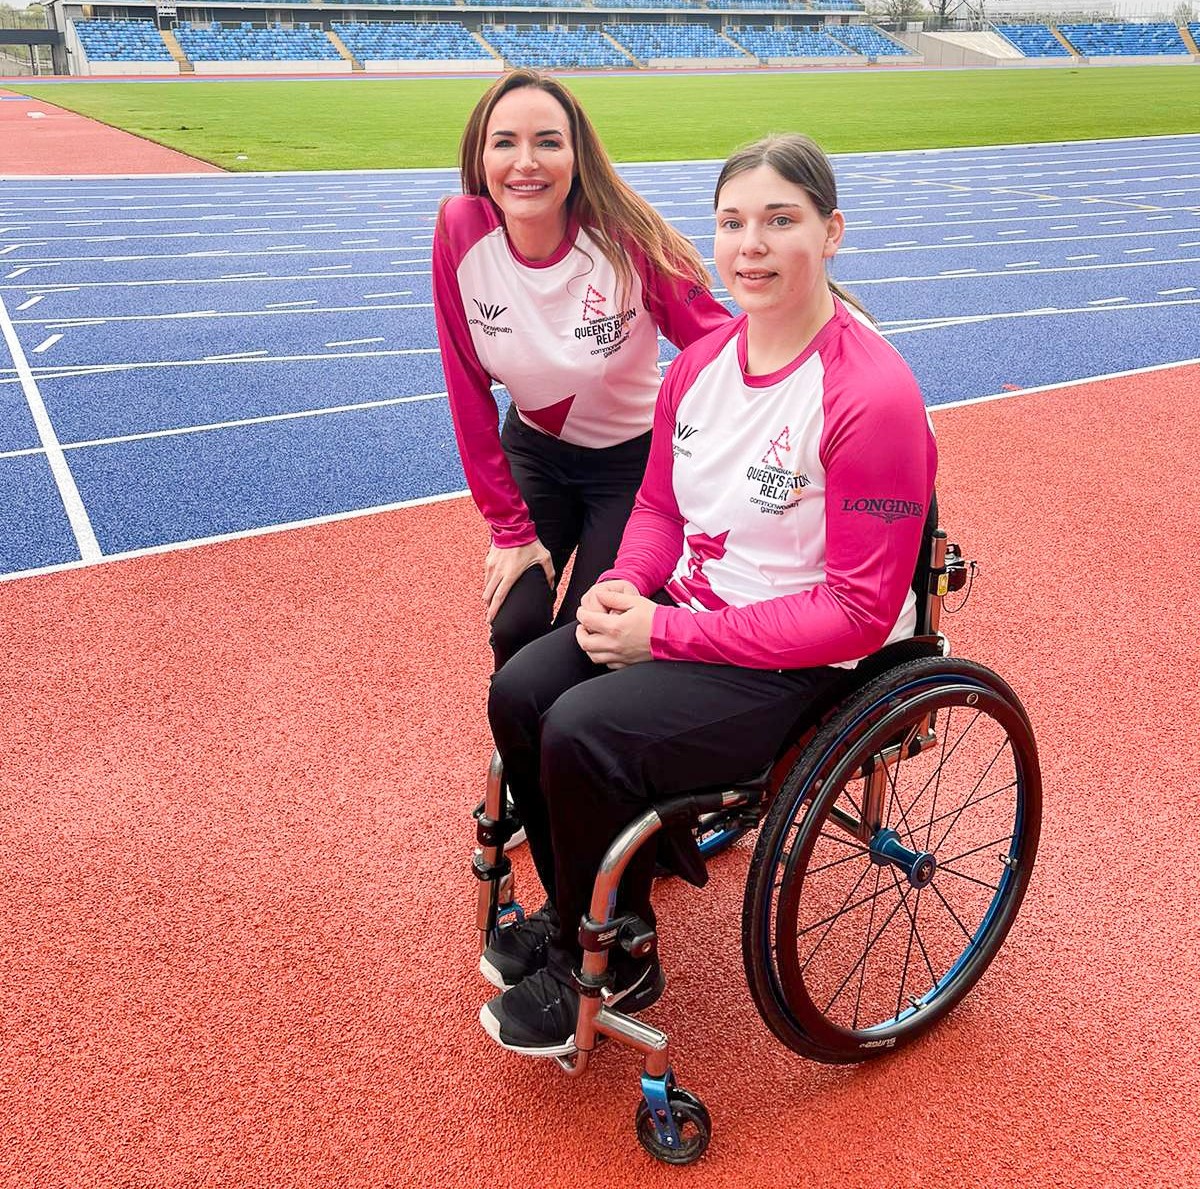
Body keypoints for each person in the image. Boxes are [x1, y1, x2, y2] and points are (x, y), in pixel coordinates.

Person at [477, 133, 938, 1057]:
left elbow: (853, 612)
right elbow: (657, 506)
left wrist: (663, 636)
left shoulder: (869, 395)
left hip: (802, 660)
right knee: (522, 688)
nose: (751, 246)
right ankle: (615, 915)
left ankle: (592, 949)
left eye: (780, 220)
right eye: (732, 223)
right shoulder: (699, 363)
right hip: (688, 607)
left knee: (585, 727)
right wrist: (621, 585)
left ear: (832, 232)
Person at [432, 69, 730, 674]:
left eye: (547, 142)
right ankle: (525, 763)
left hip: (632, 466)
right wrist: (510, 531)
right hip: (536, 454)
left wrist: (828, 365)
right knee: (514, 622)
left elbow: (718, 341)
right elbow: (467, 394)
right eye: (505, 142)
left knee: (585, 638)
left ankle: (571, 753)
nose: (526, 162)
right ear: (480, 154)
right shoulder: (459, 231)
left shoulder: (625, 238)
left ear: (576, 155)